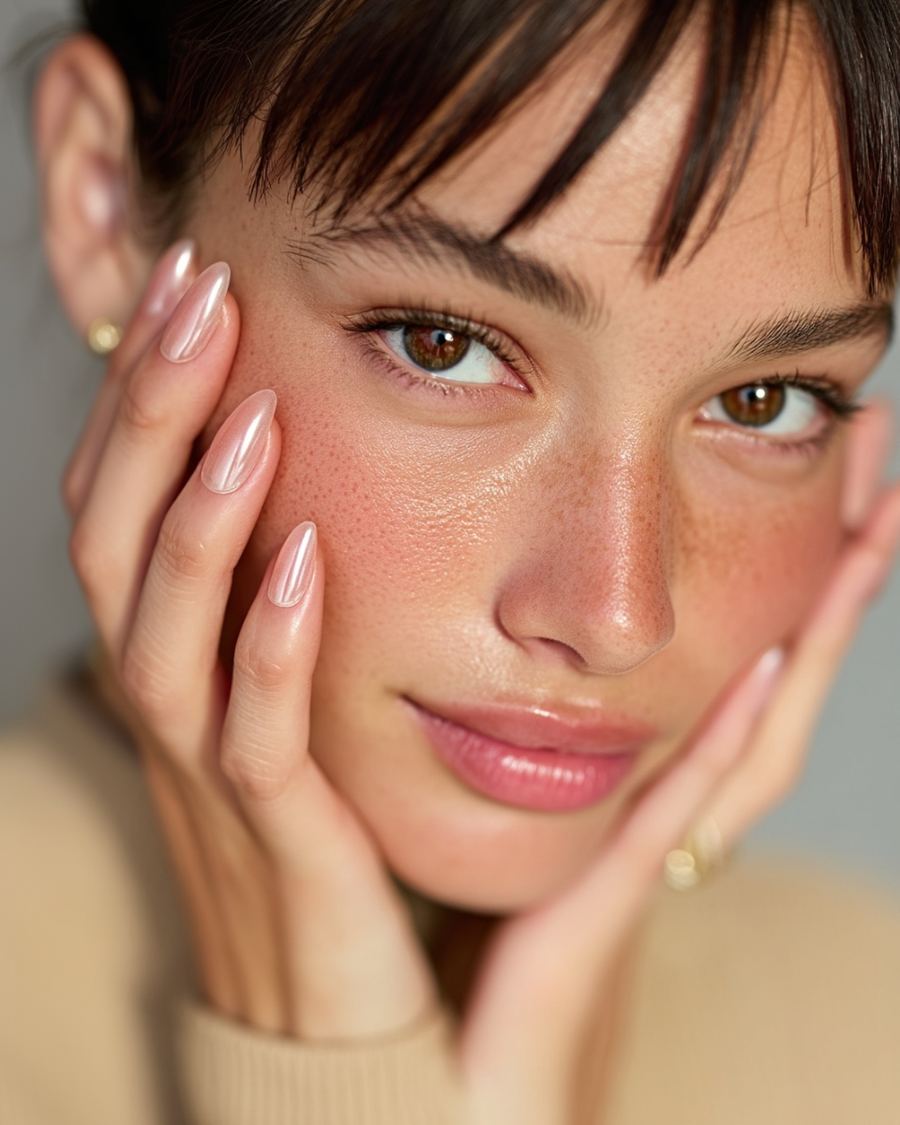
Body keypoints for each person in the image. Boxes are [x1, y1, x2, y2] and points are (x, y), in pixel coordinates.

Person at [2, 0, 900, 1122]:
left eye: (764, 403)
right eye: (446, 343)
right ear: (100, 204)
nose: (619, 615)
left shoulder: (869, 1021)